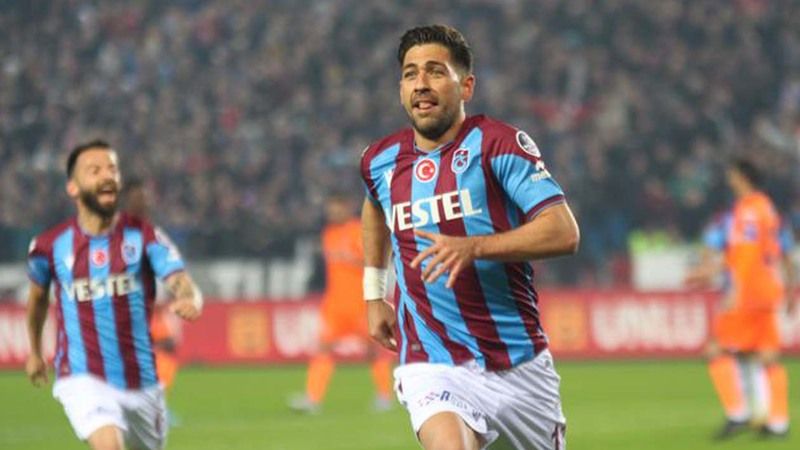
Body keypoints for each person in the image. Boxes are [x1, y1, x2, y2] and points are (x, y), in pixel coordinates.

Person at [360, 25, 580, 450]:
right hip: (432, 361)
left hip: (518, 367)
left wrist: (474, 247)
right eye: (410, 74)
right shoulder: (380, 161)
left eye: (435, 71)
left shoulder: (499, 145)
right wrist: (373, 294)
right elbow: (373, 205)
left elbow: (562, 231)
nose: (421, 84)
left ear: (466, 86)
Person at [25, 140, 203, 450]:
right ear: (73, 187)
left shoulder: (145, 235)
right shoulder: (49, 246)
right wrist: (35, 351)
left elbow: (179, 279)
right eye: (94, 170)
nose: (107, 175)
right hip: (81, 376)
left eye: (112, 169)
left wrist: (190, 298)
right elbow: (38, 300)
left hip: (142, 383)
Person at [686, 159, 796, 439]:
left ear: (743, 177)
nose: (729, 179)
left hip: (748, 293)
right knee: (767, 357)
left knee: (715, 350)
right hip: (768, 290)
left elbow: (746, 255)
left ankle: (738, 414)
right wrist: (790, 289)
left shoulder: (747, 212)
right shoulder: (767, 208)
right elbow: (779, 252)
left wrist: (735, 290)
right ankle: (779, 423)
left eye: (732, 175)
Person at [289, 194, 394, 413]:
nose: (333, 212)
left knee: (373, 350)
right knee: (323, 348)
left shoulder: (360, 230)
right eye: (330, 208)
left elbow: (375, 260)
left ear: (347, 207)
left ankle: (385, 396)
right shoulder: (328, 234)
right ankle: (312, 398)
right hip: (335, 304)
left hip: (360, 303)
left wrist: (355, 261)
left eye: (337, 207)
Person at [123, 178, 182, 423]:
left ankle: (153, 405)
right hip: (131, 306)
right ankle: (147, 408)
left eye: (146, 197)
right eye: (140, 197)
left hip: (152, 307)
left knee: (165, 349)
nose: (145, 201)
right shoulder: (120, 234)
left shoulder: (150, 232)